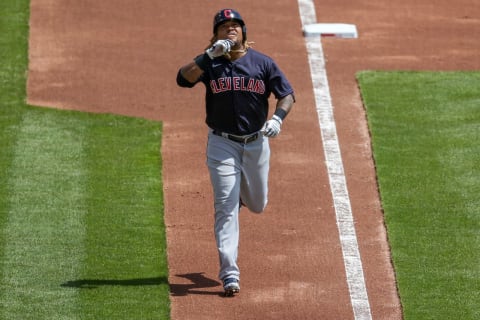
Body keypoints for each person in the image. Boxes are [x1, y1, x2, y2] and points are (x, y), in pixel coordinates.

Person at [176, 8, 295, 297]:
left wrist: (278, 118)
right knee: (225, 207)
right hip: (222, 144)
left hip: (256, 143)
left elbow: (287, 94)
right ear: (215, 33)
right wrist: (208, 55)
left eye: (235, 25)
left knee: (257, 204)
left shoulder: (262, 63)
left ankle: (243, 196)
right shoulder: (211, 64)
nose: (230, 29)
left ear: (244, 32)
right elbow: (183, 78)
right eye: (224, 26)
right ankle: (230, 273)